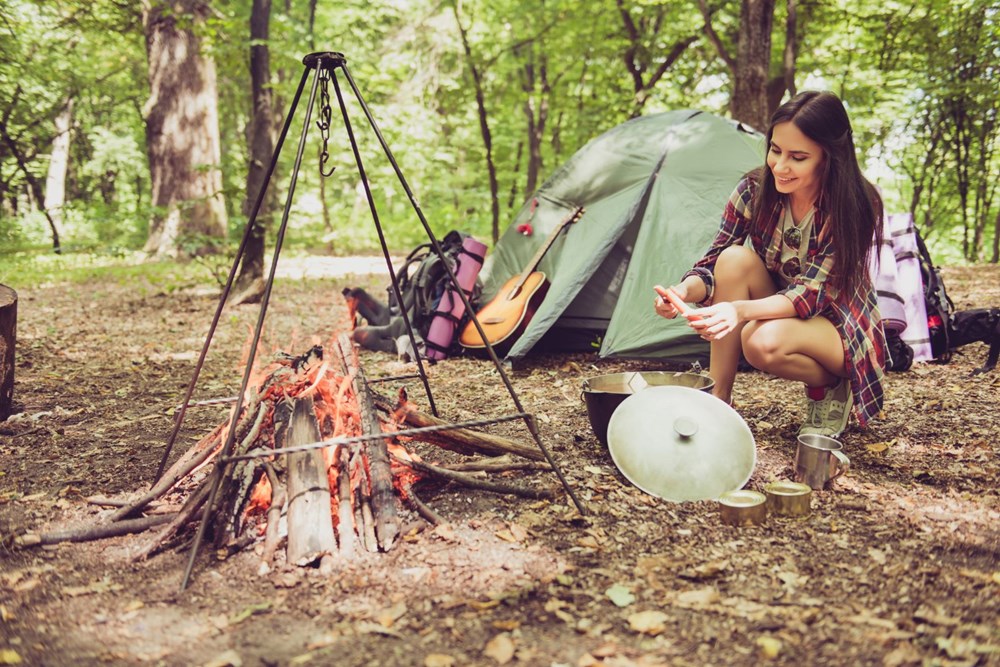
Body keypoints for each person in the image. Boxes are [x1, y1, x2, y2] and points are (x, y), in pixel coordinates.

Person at [654, 90, 886, 438]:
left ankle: (836, 384)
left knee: (761, 342)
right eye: (775, 150)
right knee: (734, 260)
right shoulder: (754, 189)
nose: (780, 165)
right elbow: (715, 259)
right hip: (781, 304)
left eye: (798, 157)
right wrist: (683, 291)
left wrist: (737, 310)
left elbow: (812, 296)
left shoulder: (853, 204)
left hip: (840, 325)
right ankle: (719, 398)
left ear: (829, 156)